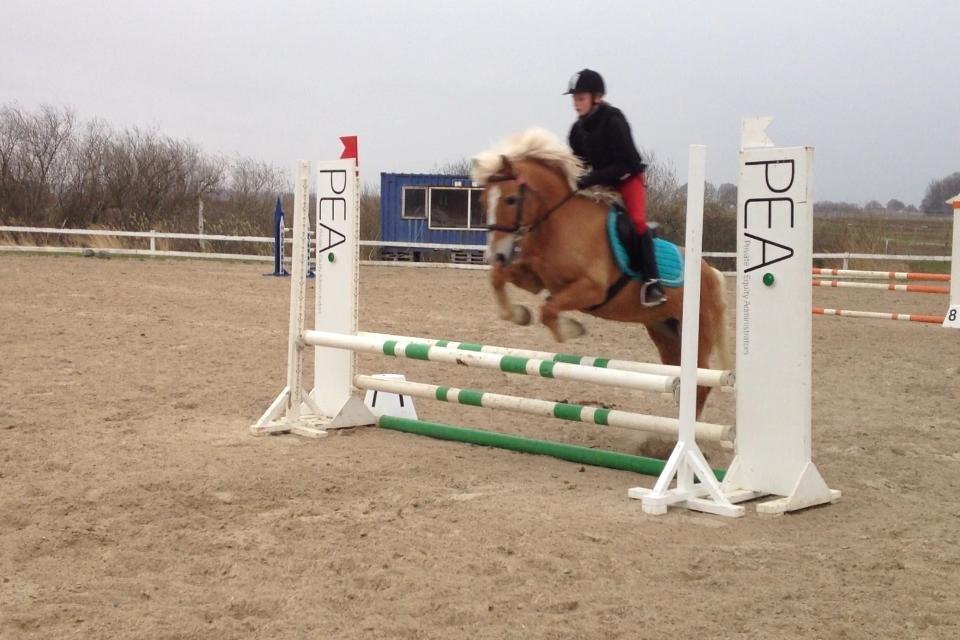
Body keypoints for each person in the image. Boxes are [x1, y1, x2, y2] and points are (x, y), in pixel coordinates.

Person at [565, 69, 665, 307]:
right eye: (574, 99)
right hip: (600, 184)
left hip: (628, 178)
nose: (576, 104)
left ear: (596, 97)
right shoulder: (577, 131)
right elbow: (579, 165)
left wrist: (589, 180)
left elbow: (627, 163)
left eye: (580, 98)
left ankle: (653, 282)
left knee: (638, 222)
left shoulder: (614, 120)